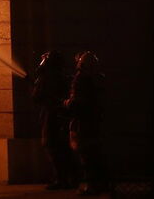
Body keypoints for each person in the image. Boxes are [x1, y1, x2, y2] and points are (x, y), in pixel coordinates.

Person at [64, 51, 107, 196]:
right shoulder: (99, 78)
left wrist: (67, 103)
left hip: (82, 122)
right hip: (96, 121)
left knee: (86, 155)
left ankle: (91, 185)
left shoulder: (80, 79)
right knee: (95, 154)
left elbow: (77, 102)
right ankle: (101, 184)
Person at [32, 51, 74, 190]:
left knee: (51, 145)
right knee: (61, 148)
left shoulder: (46, 77)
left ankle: (60, 179)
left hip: (51, 115)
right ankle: (67, 178)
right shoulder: (61, 76)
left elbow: (36, 97)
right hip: (60, 115)